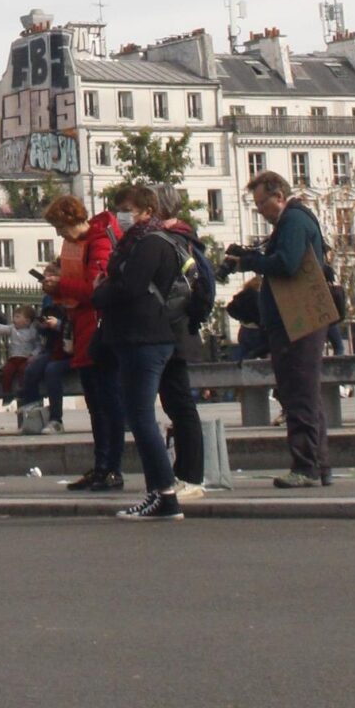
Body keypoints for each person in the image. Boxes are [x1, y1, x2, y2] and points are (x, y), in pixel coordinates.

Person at [224, 171, 335, 489]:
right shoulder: (294, 221)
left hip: (297, 319)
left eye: (262, 202)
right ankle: (318, 464)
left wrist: (249, 263)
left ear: (279, 196)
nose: (260, 209)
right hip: (296, 318)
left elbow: (286, 263)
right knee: (306, 394)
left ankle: (305, 466)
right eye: (256, 203)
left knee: (297, 392)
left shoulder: (294, 221)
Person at [94, 181, 186, 521]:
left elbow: (130, 288)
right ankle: (158, 493)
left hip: (144, 337)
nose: (122, 215)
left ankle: (164, 494)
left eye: (128, 208)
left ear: (147, 211)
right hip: (140, 336)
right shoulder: (140, 242)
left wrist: (101, 291)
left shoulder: (149, 244)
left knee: (142, 418)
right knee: (139, 416)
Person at [46, 192, 124, 491]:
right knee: (97, 403)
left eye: (59, 226)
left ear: (71, 219)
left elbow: (95, 289)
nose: (59, 233)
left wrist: (61, 284)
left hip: (98, 331)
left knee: (106, 403)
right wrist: (58, 284)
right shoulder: (81, 243)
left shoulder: (99, 242)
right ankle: (102, 465)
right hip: (85, 329)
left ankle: (110, 466)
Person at [153, 184, 214, 493]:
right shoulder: (186, 238)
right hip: (182, 329)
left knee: (180, 404)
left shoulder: (171, 241)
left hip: (173, 329)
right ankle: (187, 472)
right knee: (177, 403)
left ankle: (191, 475)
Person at [16, 282, 68, 431]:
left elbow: (73, 325)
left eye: (50, 276)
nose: (46, 280)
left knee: (52, 370)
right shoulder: (47, 300)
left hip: (69, 351)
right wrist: (43, 326)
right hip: (53, 349)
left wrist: (58, 324)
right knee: (31, 370)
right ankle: (34, 415)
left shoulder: (69, 299)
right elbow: (44, 334)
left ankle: (56, 418)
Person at [0, 297, 40, 407]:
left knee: (24, 371)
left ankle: (23, 391)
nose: (14, 319)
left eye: (17, 317)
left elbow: (38, 346)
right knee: (7, 371)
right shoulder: (12, 329)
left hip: (25, 359)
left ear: (27, 321)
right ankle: (7, 393)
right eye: (14, 316)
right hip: (14, 358)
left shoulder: (33, 332)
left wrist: (33, 355)